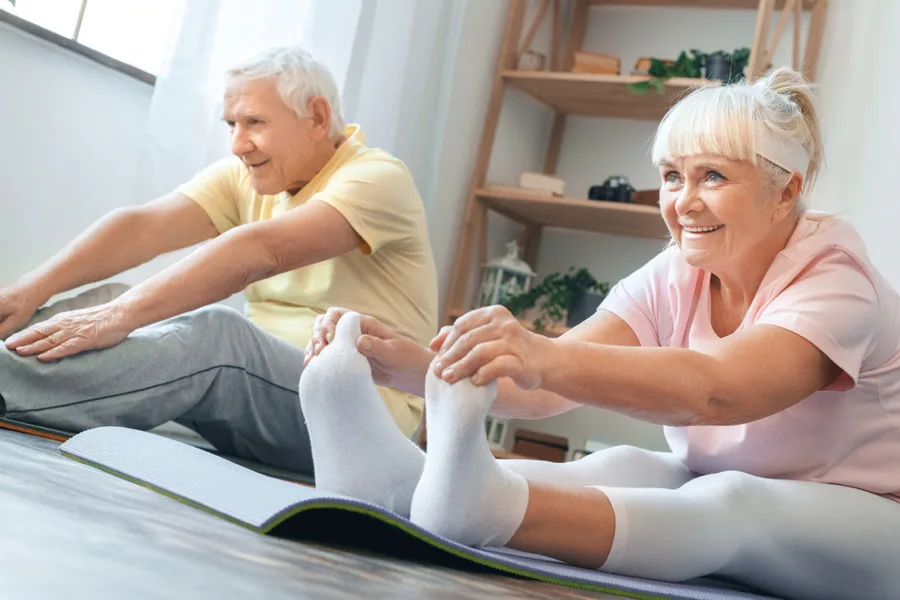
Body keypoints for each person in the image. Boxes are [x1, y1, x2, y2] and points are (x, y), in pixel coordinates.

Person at [300, 67, 900, 600]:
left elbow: (721, 391)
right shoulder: (678, 269)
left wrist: (542, 357)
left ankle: (490, 509)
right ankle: (401, 487)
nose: (683, 202)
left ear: (787, 191)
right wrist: (404, 362)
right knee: (624, 465)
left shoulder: (836, 279)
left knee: (733, 505)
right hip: (732, 483)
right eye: (671, 177)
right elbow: (544, 388)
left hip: (875, 525)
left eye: (712, 176)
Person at [0, 44, 438, 472]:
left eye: (254, 122)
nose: (237, 143)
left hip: (362, 423)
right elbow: (142, 228)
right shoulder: (251, 176)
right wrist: (31, 288)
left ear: (317, 118)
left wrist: (119, 317)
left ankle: (7, 382)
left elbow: (259, 251)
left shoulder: (377, 178)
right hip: (269, 400)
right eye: (231, 123)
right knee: (119, 297)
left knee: (219, 335)